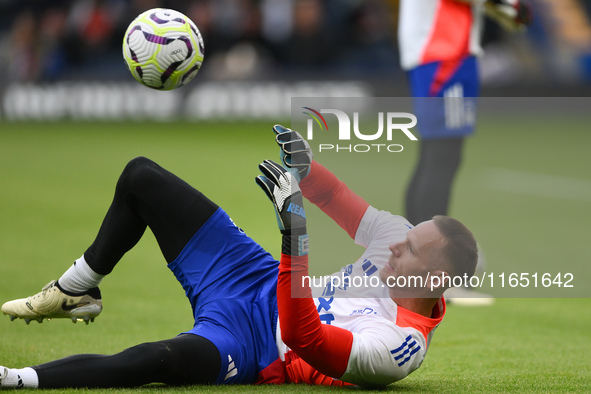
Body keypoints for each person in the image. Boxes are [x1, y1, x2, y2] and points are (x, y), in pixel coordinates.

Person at [1, 125, 478, 389]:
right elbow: (336, 199)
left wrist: (295, 233)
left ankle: (17, 379)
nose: (397, 243)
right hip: (256, 277)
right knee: (141, 177)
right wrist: (306, 168)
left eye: (411, 247)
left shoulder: (399, 347)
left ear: (435, 279)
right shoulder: (396, 237)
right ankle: (76, 287)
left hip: (258, 346)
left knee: (157, 359)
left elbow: (301, 335)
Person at [397, 0, 531, 224]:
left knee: (434, 155)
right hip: (445, 52)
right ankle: (430, 251)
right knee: (443, 155)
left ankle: (416, 244)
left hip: (433, 51)